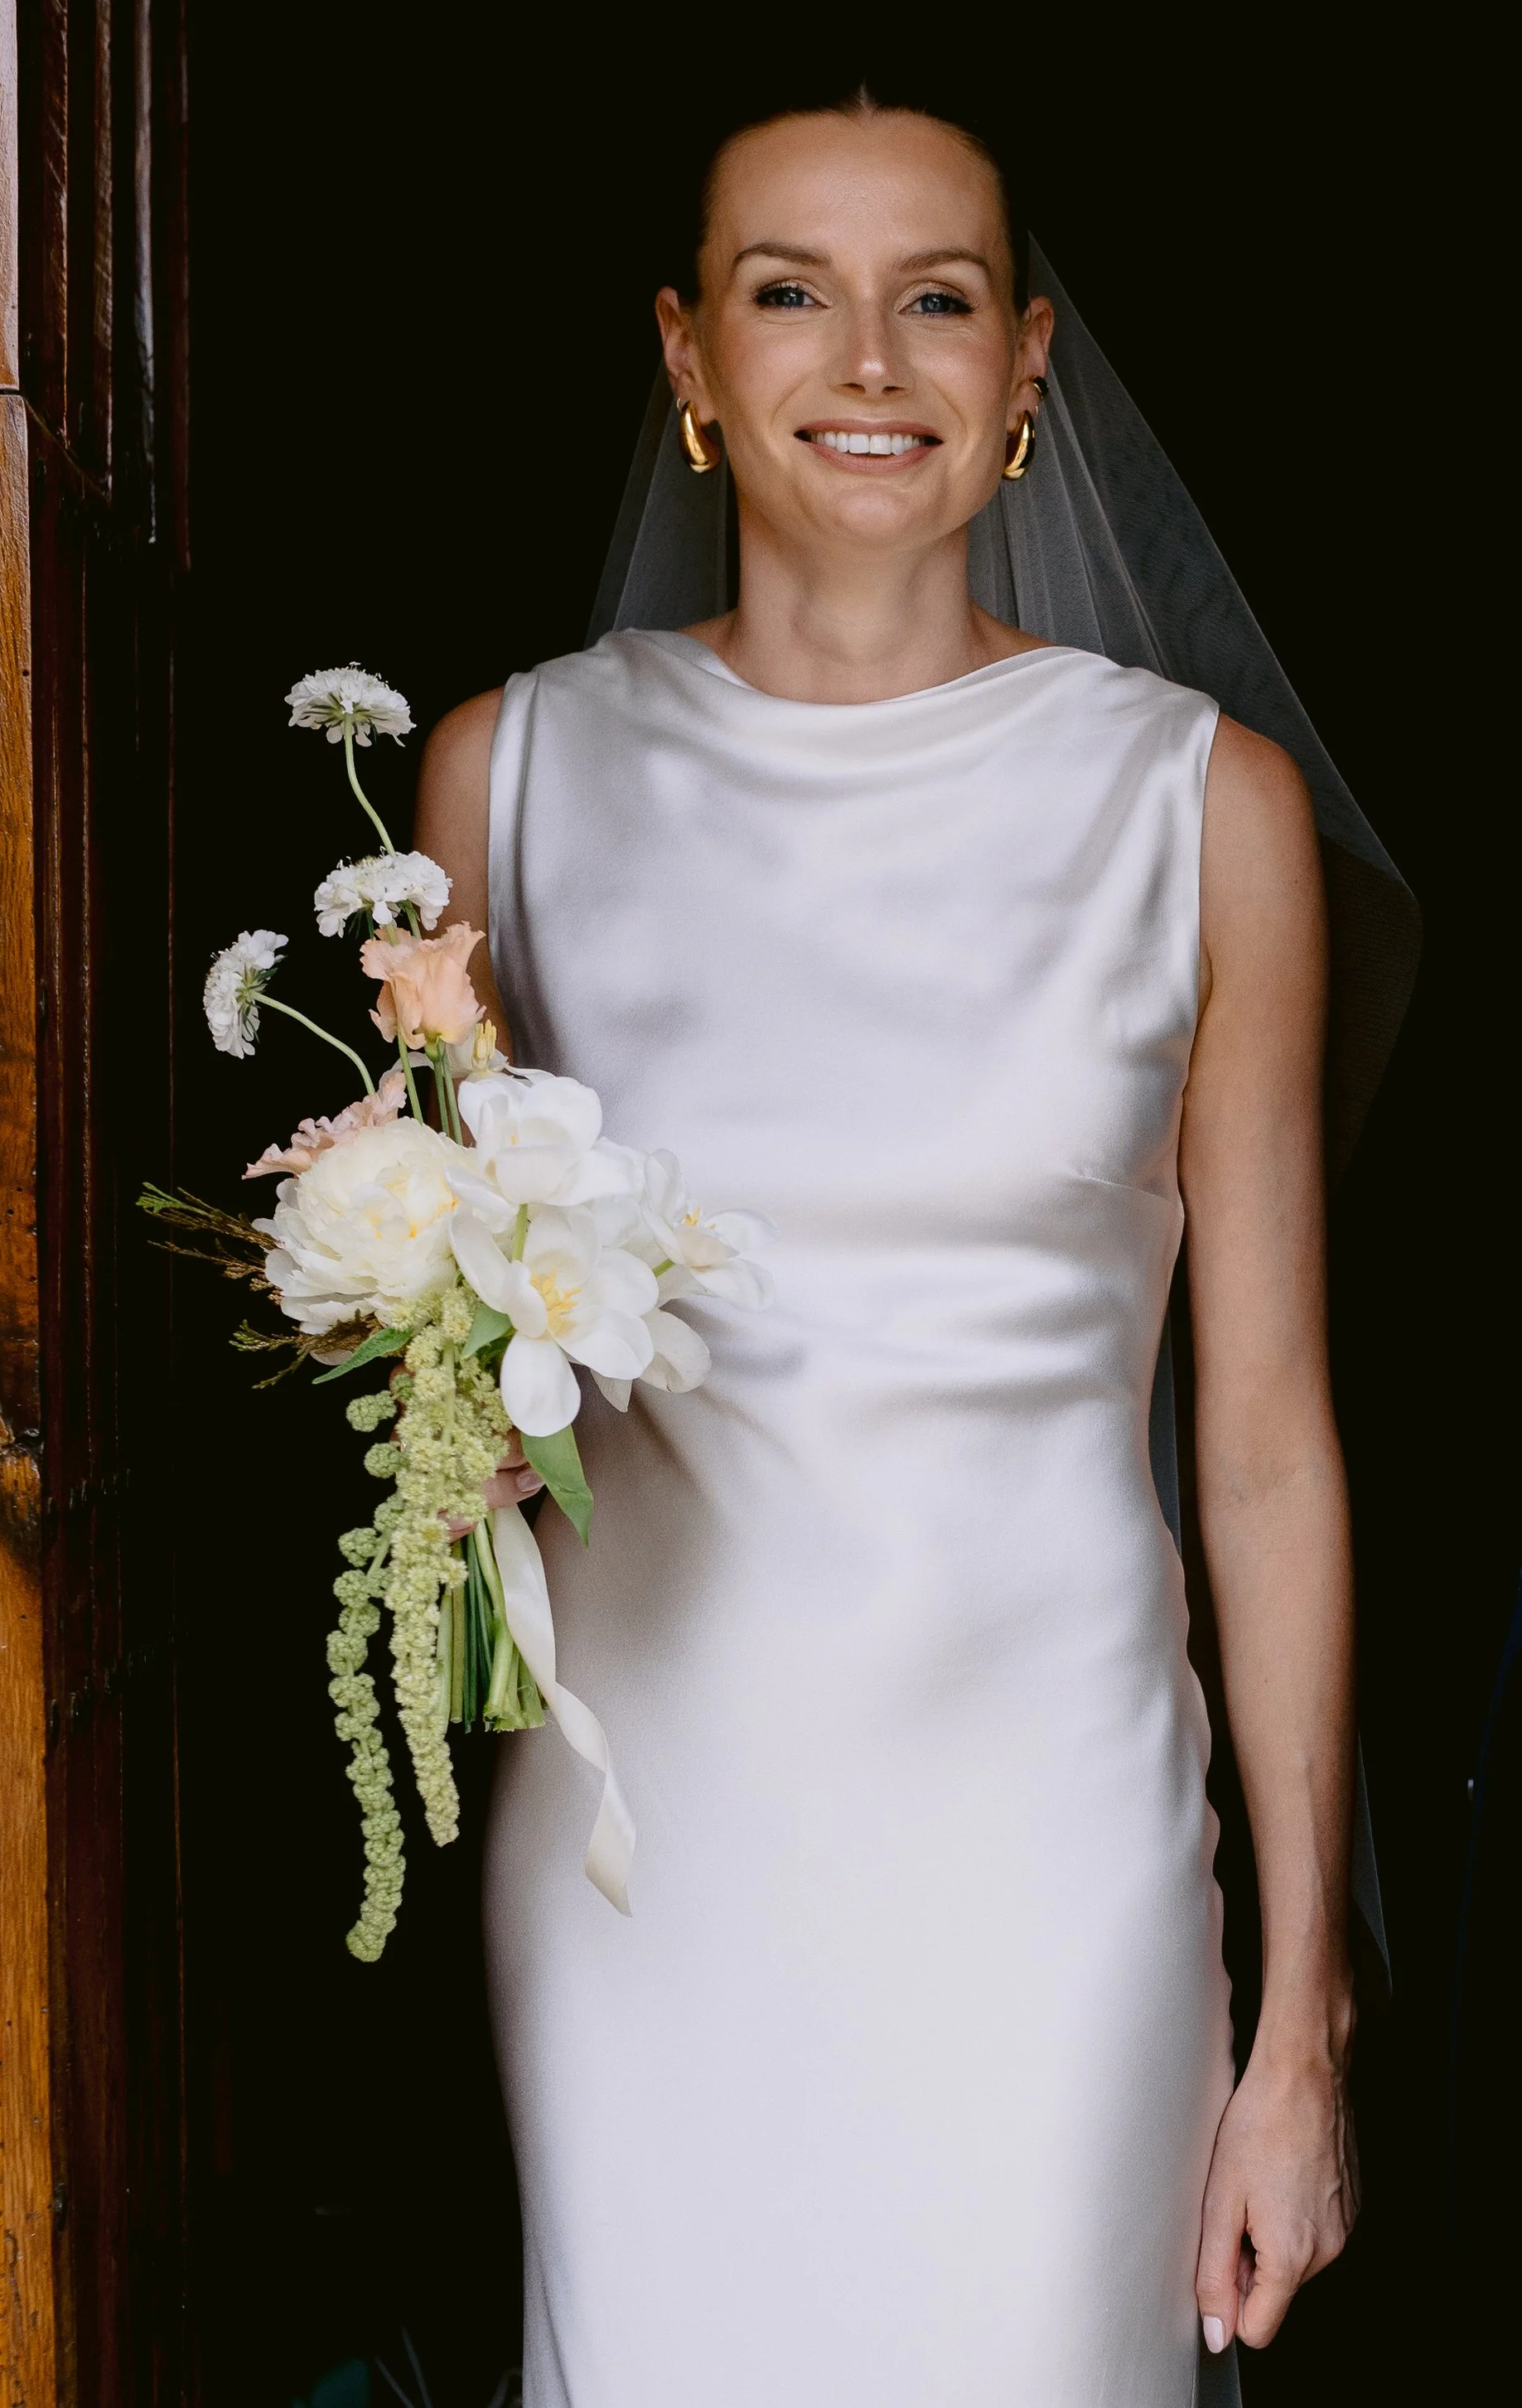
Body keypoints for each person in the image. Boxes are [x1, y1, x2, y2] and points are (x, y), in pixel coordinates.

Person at [416, 93, 1358, 2408]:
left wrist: (1305, 2017)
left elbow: (1263, 1443)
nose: (868, 360)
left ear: (1026, 362)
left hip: (1053, 1851)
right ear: (688, 355)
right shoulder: (505, 781)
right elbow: (447, 1373)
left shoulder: (1201, 808)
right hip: (648, 1858)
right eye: (788, 291)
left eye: (936, 296)